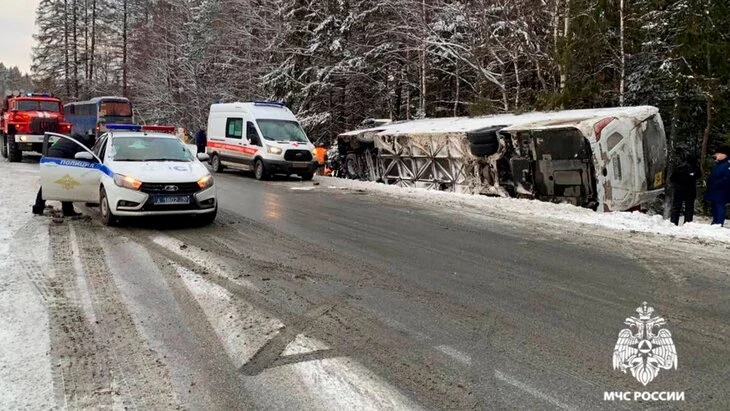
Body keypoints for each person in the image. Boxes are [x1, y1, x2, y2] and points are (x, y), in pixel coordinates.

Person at [32, 133, 95, 217]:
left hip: (49, 156)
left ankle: (37, 208)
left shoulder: (72, 137)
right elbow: (81, 158)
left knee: (47, 183)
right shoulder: (82, 143)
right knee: (66, 183)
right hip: (59, 158)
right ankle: (67, 210)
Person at [669, 153, 700, 225]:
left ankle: (673, 222)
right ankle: (688, 222)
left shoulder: (680, 168)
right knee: (689, 207)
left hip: (679, 189)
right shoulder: (696, 168)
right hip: (690, 190)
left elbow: (672, 178)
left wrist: (677, 183)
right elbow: (699, 176)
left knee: (676, 207)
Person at [704, 145, 730, 226]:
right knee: (715, 206)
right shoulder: (719, 164)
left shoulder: (727, 164)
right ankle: (715, 222)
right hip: (715, 190)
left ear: (724, 154)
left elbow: (727, 177)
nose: (716, 155)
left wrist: (717, 183)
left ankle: (718, 223)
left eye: (718, 153)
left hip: (722, 190)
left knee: (719, 206)